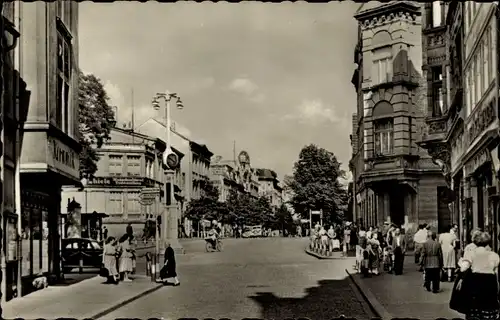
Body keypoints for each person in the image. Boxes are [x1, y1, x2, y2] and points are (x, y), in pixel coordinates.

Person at [459, 232, 499, 319]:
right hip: (490, 282)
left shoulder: (472, 253)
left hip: (476, 282)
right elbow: (496, 272)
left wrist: (461, 262)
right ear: (488, 242)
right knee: (488, 306)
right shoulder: (494, 255)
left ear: (476, 242)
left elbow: (463, 268)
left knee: (475, 307)